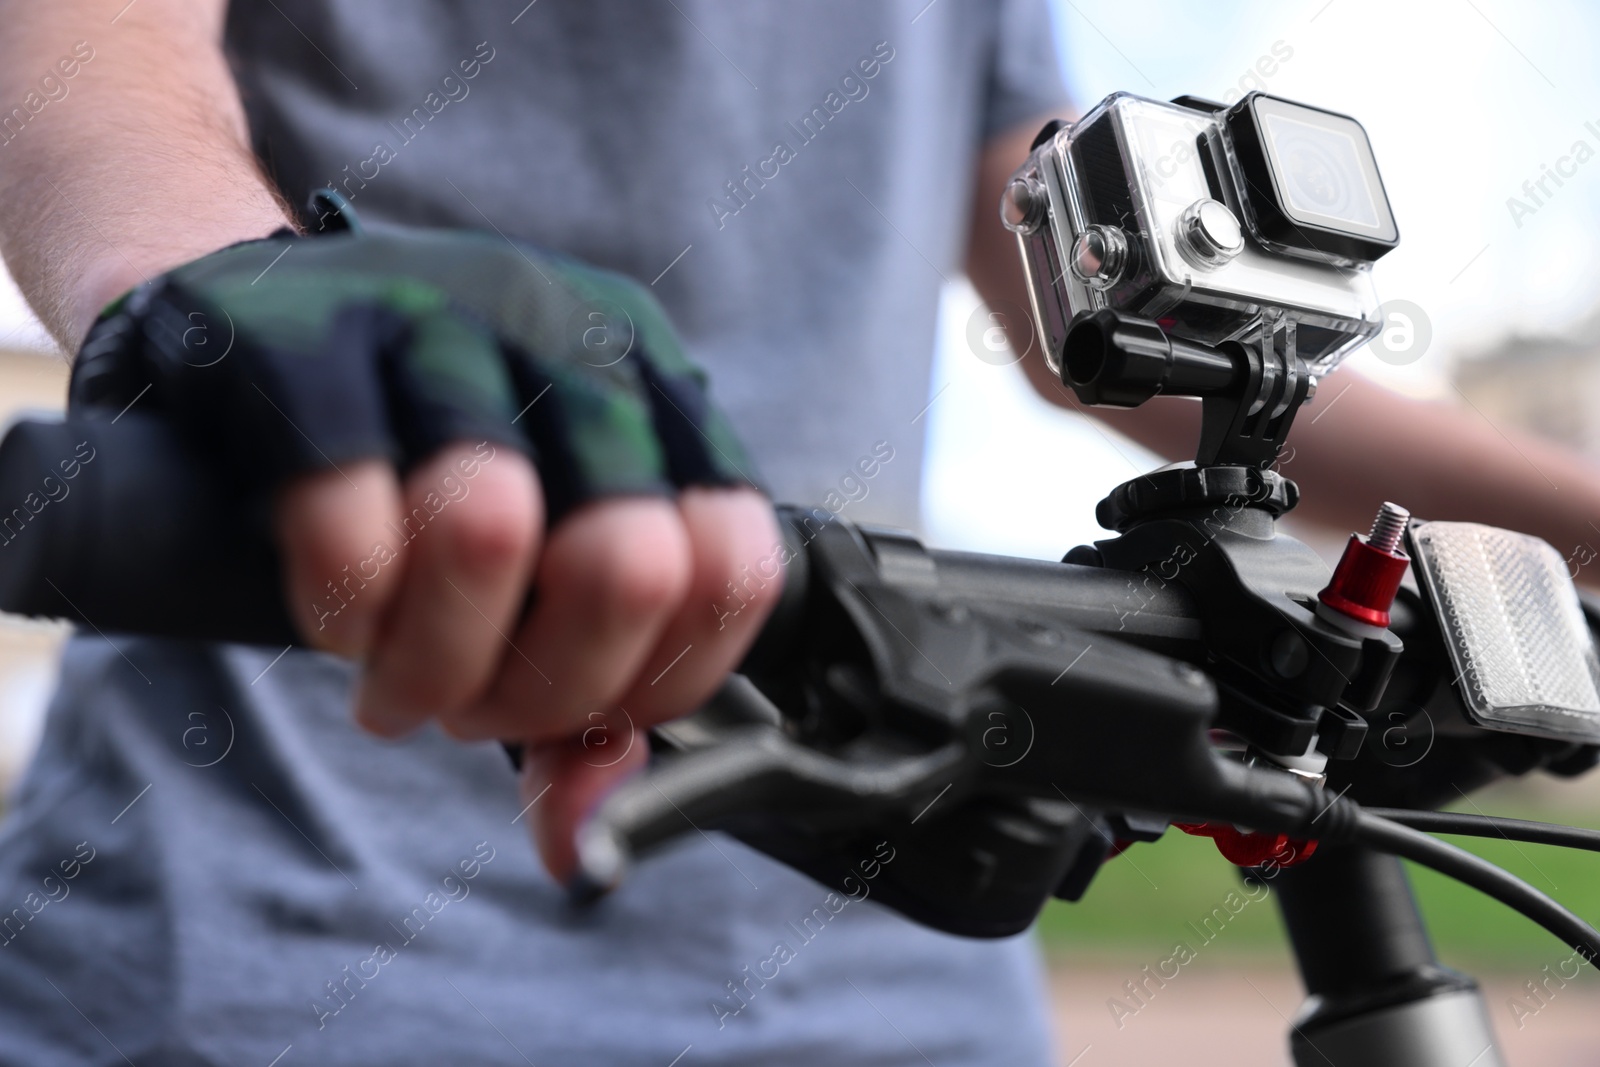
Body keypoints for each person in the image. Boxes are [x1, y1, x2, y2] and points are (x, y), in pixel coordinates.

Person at [0, 3, 1597, 1066]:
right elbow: (92, 42)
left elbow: (1092, 327)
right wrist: (232, 281)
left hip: (890, 951)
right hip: (257, 930)